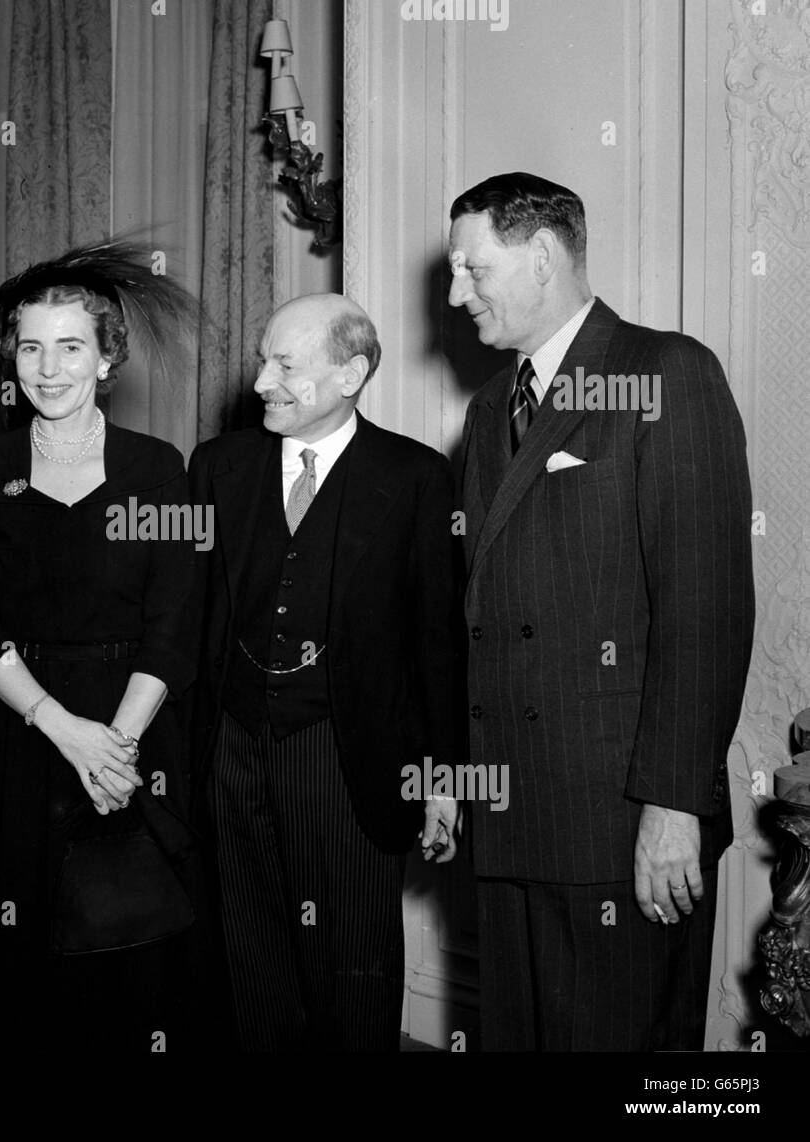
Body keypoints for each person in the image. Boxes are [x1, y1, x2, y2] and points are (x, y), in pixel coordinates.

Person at [449, 171, 755, 1050]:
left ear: (541, 257)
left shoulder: (665, 371)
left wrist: (672, 807)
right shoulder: (484, 411)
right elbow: (476, 619)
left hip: (620, 825)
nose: (455, 291)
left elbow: (707, 613)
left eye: (473, 269)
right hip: (512, 822)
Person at [0, 240, 214, 1053]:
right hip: (17, 731)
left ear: (106, 359)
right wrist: (64, 732)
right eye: (30, 347)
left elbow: (177, 624)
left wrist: (114, 748)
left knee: (131, 971)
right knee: (18, 970)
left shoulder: (160, 470)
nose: (48, 368)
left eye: (70, 347)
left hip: (133, 736)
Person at [186, 292, 462, 1052]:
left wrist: (443, 779)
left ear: (350, 374)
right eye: (263, 359)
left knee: (352, 970)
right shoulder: (216, 468)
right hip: (232, 752)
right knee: (251, 967)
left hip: (350, 760)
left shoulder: (415, 479)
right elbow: (189, 621)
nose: (262, 382)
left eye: (285, 364)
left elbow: (438, 644)